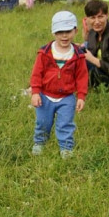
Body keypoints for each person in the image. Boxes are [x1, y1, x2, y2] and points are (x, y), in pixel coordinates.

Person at [29, 11, 88, 158]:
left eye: (68, 31)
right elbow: (37, 74)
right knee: (43, 122)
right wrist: (35, 92)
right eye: (60, 32)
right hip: (45, 96)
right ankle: (40, 143)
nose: (64, 36)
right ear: (53, 32)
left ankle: (66, 147)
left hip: (66, 97)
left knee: (65, 124)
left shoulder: (78, 55)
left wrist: (81, 96)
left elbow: (82, 77)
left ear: (75, 31)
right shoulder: (45, 53)